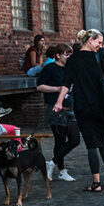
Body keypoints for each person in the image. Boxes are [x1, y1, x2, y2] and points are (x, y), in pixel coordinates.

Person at [53, 28, 104, 192]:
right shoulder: (101, 56)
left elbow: (66, 83)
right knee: (103, 144)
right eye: (99, 42)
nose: (100, 45)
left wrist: (59, 102)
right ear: (90, 40)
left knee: (91, 145)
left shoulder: (73, 60)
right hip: (102, 107)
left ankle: (96, 183)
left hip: (85, 107)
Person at [37, 44, 78, 182]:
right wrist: (57, 89)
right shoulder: (50, 68)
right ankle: (62, 170)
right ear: (58, 55)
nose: (68, 57)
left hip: (70, 108)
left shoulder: (70, 69)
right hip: (56, 109)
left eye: (70, 55)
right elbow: (39, 86)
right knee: (60, 141)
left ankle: (52, 163)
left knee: (75, 139)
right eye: (66, 55)